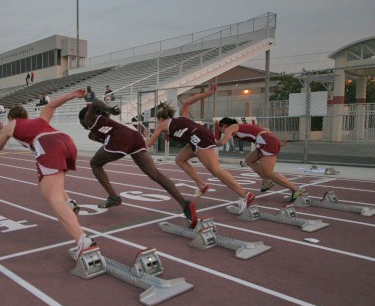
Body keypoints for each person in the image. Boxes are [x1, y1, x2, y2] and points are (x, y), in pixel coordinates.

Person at [0, 88, 96, 259]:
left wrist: (0, 128)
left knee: (53, 198)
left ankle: (83, 241)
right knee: (47, 187)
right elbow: (52, 106)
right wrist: (73, 95)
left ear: (11, 117)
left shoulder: (10, 125)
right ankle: (69, 202)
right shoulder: (40, 119)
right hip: (66, 141)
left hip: (48, 145)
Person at [79, 97, 198, 227]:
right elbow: (108, 136)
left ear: (83, 119)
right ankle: (183, 203)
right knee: (155, 174)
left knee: (95, 164)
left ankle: (113, 197)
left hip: (121, 138)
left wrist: (109, 109)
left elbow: (95, 102)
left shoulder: (88, 119)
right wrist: (100, 137)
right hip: (134, 137)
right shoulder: (102, 121)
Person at [145, 84, 255, 213]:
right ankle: (201, 185)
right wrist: (206, 94)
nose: (158, 123)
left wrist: (147, 136)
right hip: (197, 137)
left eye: (158, 120)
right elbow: (188, 102)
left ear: (160, 118)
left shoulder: (162, 124)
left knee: (216, 171)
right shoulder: (181, 117)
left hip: (199, 138)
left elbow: (149, 144)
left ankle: (245, 195)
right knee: (180, 159)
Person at [217, 117, 307, 202]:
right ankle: (266, 181)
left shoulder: (230, 128)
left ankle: (296, 189)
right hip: (265, 141)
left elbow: (222, 142)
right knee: (249, 160)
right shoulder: (240, 127)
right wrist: (275, 140)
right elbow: (265, 130)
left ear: (224, 125)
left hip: (265, 142)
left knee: (269, 173)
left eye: (220, 128)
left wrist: (209, 141)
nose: (221, 131)